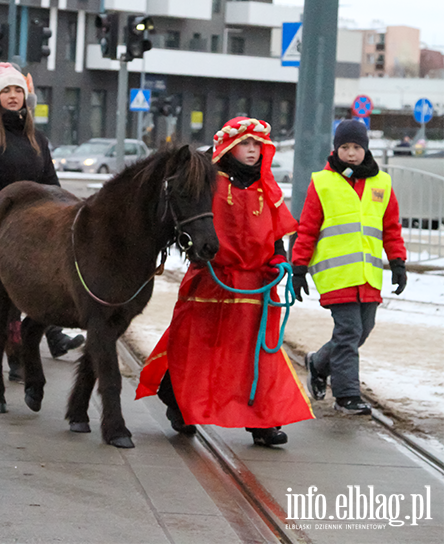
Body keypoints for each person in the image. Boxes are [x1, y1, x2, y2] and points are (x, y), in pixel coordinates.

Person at [136, 117, 313, 447]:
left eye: (258, 145)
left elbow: (276, 233)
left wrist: (279, 259)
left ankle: (263, 422)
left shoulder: (267, 187)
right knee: (197, 347)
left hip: (256, 286)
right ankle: (179, 404)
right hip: (212, 280)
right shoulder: (208, 183)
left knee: (258, 355)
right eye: (246, 144)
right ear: (231, 147)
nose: (252, 151)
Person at [0, 62, 84, 365]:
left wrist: (68, 217)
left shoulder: (38, 139)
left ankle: (34, 346)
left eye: (18, 90)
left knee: (36, 289)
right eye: (6, 90)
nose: (13, 95)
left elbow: (51, 186)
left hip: (33, 231)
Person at [292, 119, 407, 415]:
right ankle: (346, 395)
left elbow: (391, 227)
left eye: (356, 147)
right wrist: (299, 267)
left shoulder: (381, 182)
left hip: (368, 276)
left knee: (361, 331)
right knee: (349, 332)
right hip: (336, 276)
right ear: (336, 149)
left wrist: (398, 262)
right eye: (345, 147)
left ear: (365, 148)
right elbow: (307, 229)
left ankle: (318, 364)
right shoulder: (323, 182)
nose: (351, 153)